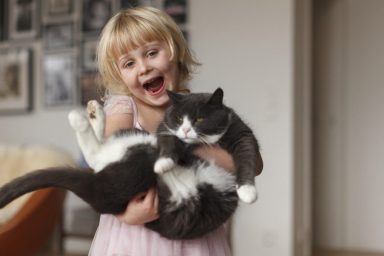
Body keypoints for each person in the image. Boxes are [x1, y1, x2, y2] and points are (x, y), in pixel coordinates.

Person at [89, 6, 263, 256]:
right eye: (129, 63)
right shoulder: (124, 107)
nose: (143, 68)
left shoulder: (198, 109)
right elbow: (106, 163)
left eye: (151, 53)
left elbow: (254, 164)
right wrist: (124, 213)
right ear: (119, 75)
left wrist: (193, 152)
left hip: (195, 235)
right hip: (136, 238)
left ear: (175, 52)